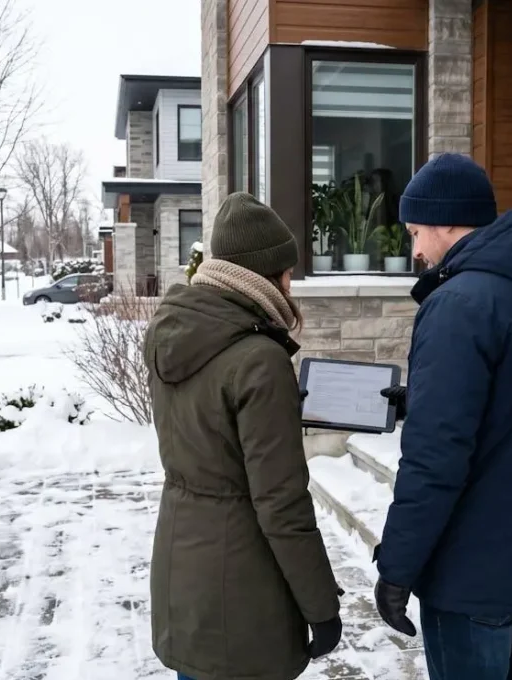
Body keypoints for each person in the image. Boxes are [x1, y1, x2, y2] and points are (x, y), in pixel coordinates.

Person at [372, 153, 512, 680]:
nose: (415, 249)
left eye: (416, 231)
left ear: (446, 221)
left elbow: (434, 459)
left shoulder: (459, 304)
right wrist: (418, 401)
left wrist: (397, 568)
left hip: (472, 572)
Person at [144, 192, 342, 680]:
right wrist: (321, 606)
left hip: (183, 572)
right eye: (288, 271)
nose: (292, 282)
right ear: (266, 274)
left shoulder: (174, 332)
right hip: (243, 593)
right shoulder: (258, 358)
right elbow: (281, 503)